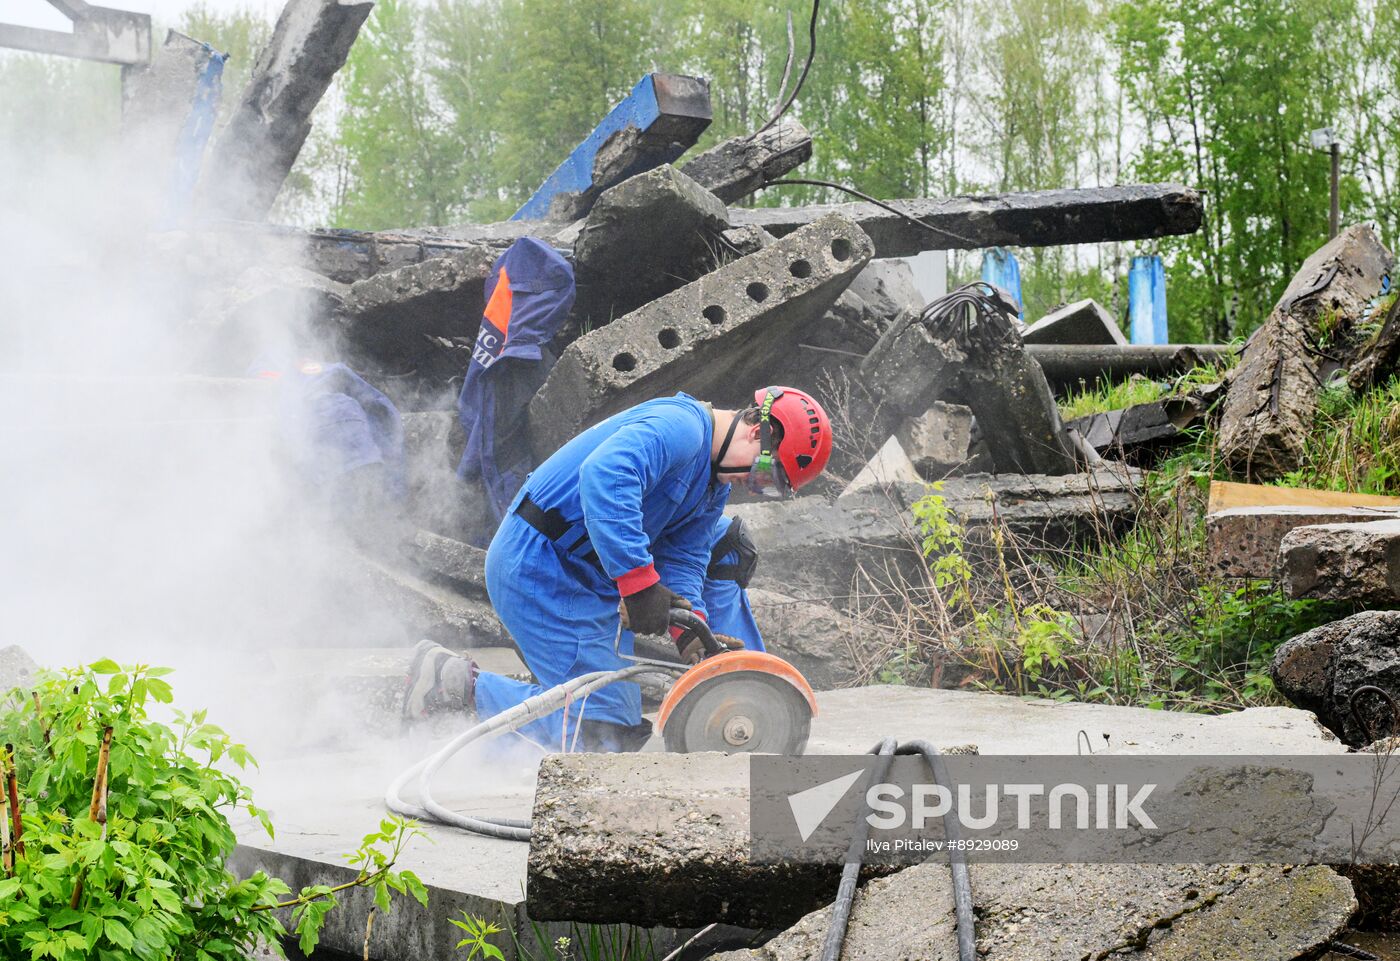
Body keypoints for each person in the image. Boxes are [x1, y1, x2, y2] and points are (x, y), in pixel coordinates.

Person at [402, 386, 830, 752]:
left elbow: (684, 558)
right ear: (757, 431)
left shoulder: (711, 485)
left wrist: (691, 633)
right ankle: (455, 686)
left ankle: (735, 681)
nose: (753, 489)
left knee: (728, 544)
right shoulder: (679, 427)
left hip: (584, 576)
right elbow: (605, 475)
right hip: (540, 566)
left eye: (769, 489)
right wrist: (639, 584)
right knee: (603, 734)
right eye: (763, 476)